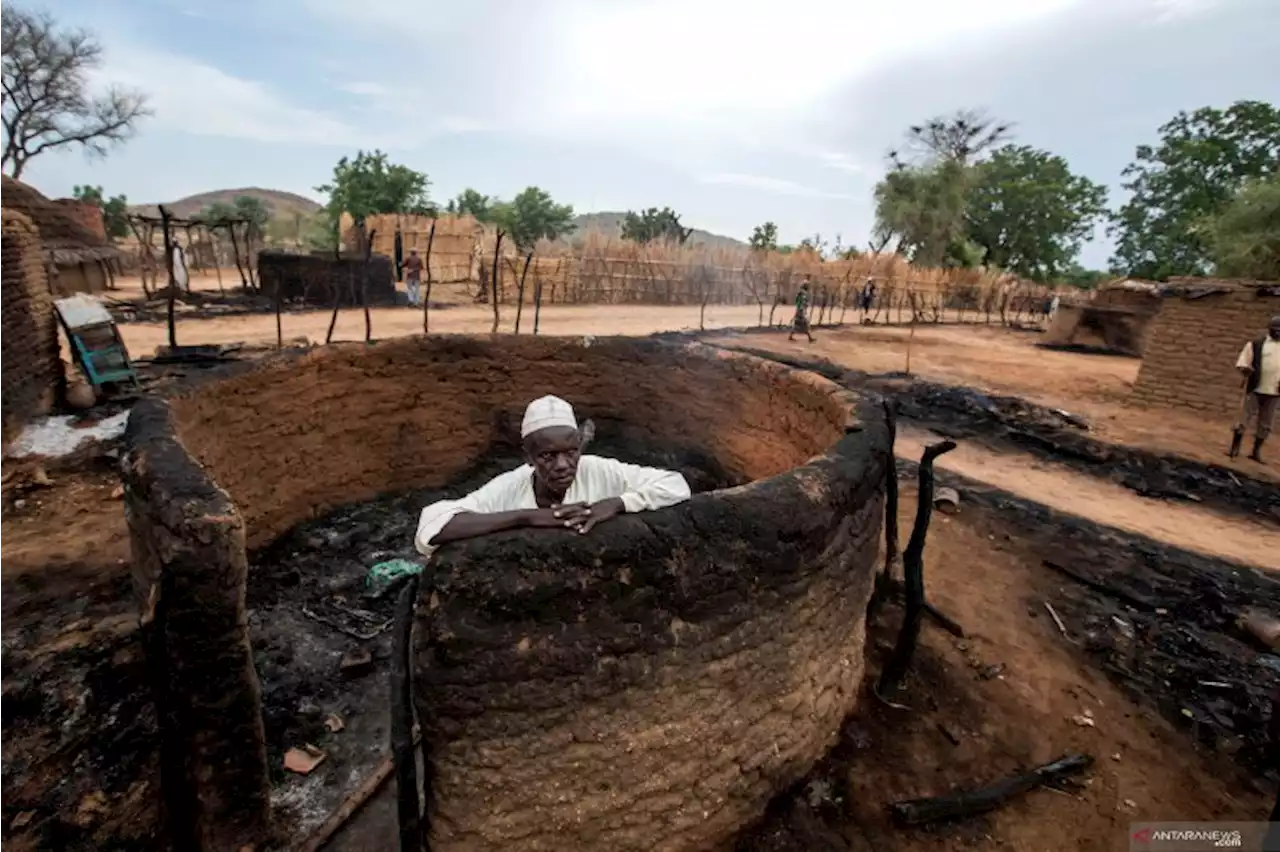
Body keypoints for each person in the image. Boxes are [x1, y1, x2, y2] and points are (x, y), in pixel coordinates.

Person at [414, 395, 692, 557]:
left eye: (571, 452)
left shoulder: (598, 470)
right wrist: (527, 516)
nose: (562, 465)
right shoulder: (510, 486)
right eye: (548, 456)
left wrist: (617, 503)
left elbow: (676, 485)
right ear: (529, 457)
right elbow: (432, 526)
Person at [1230, 315, 1280, 463]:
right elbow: (1243, 361)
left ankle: (1255, 452)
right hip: (1254, 388)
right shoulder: (1257, 344)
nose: (1278, 333)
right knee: (1243, 418)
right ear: (1269, 329)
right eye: (1275, 330)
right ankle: (1235, 447)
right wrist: (1246, 370)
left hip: (1274, 392)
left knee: (1266, 423)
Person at [789, 277, 815, 343]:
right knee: (805, 324)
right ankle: (810, 338)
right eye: (807, 286)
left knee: (798, 324)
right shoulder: (802, 293)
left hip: (800, 310)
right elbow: (800, 302)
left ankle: (791, 336)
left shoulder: (801, 293)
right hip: (801, 310)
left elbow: (799, 301)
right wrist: (802, 308)